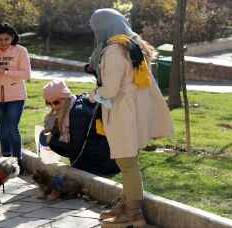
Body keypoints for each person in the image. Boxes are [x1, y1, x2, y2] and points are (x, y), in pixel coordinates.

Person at [87, 9, 173, 227]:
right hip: (133, 110)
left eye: (96, 27)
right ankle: (126, 205)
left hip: (122, 112)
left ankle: (133, 213)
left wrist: (93, 95)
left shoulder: (114, 50)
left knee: (127, 163)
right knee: (128, 161)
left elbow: (110, 89)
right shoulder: (132, 45)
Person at [41, 80, 120, 177]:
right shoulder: (75, 103)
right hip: (100, 160)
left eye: (56, 102)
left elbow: (73, 150)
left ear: (66, 97)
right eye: (48, 103)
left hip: (98, 165)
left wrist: (51, 140)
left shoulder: (77, 114)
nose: (53, 107)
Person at [0, 22, 31, 175]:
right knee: (2, 127)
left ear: (13, 38)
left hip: (16, 95)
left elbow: (26, 74)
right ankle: (5, 160)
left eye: (6, 39)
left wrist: (5, 70)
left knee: (12, 127)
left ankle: (17, 160)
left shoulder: (21, 51)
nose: (3, 42)